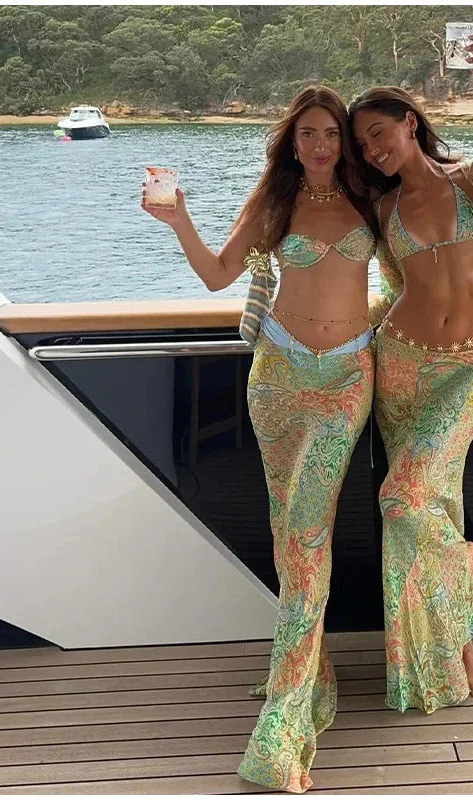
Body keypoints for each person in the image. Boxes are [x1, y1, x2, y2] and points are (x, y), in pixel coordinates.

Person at [142, 85, 377, 794]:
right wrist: (180, 220)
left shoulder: (372, 196)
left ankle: (286, 713)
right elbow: (218, 274)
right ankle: (308, 669)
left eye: (330, 133)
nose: (320, 146)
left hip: (347, 378)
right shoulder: (273, 202)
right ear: (290, 142)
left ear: (345, 140)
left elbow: (421, 263)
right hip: (277, 376)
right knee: (289, 529)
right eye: (307, 134)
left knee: (308, 529)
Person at [350, 34, 473, 715]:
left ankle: (468, 593)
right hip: (400, 362)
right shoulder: (383, 209)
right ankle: (451, 648)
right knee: (435, 505)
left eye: (379, 134)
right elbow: (404, 283)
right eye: (363, 146)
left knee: (403, 499)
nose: (372, 151)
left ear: (409, 122)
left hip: (465, 366)